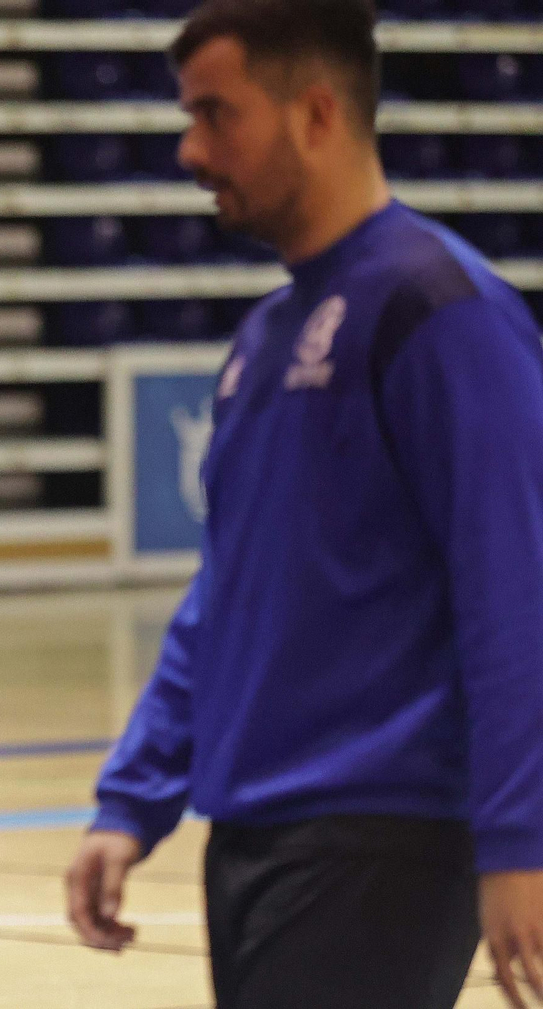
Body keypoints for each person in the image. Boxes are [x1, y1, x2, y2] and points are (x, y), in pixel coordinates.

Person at [63, 2, 543, 1007]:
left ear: (316, 113)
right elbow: (227, 593)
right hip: (256, 842)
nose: (190, 148)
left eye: (215, 113)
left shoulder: (440, 313)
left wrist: (518, 840)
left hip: (384, 840)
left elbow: (516, 594)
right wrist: (132, 794)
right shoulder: (265, 337)